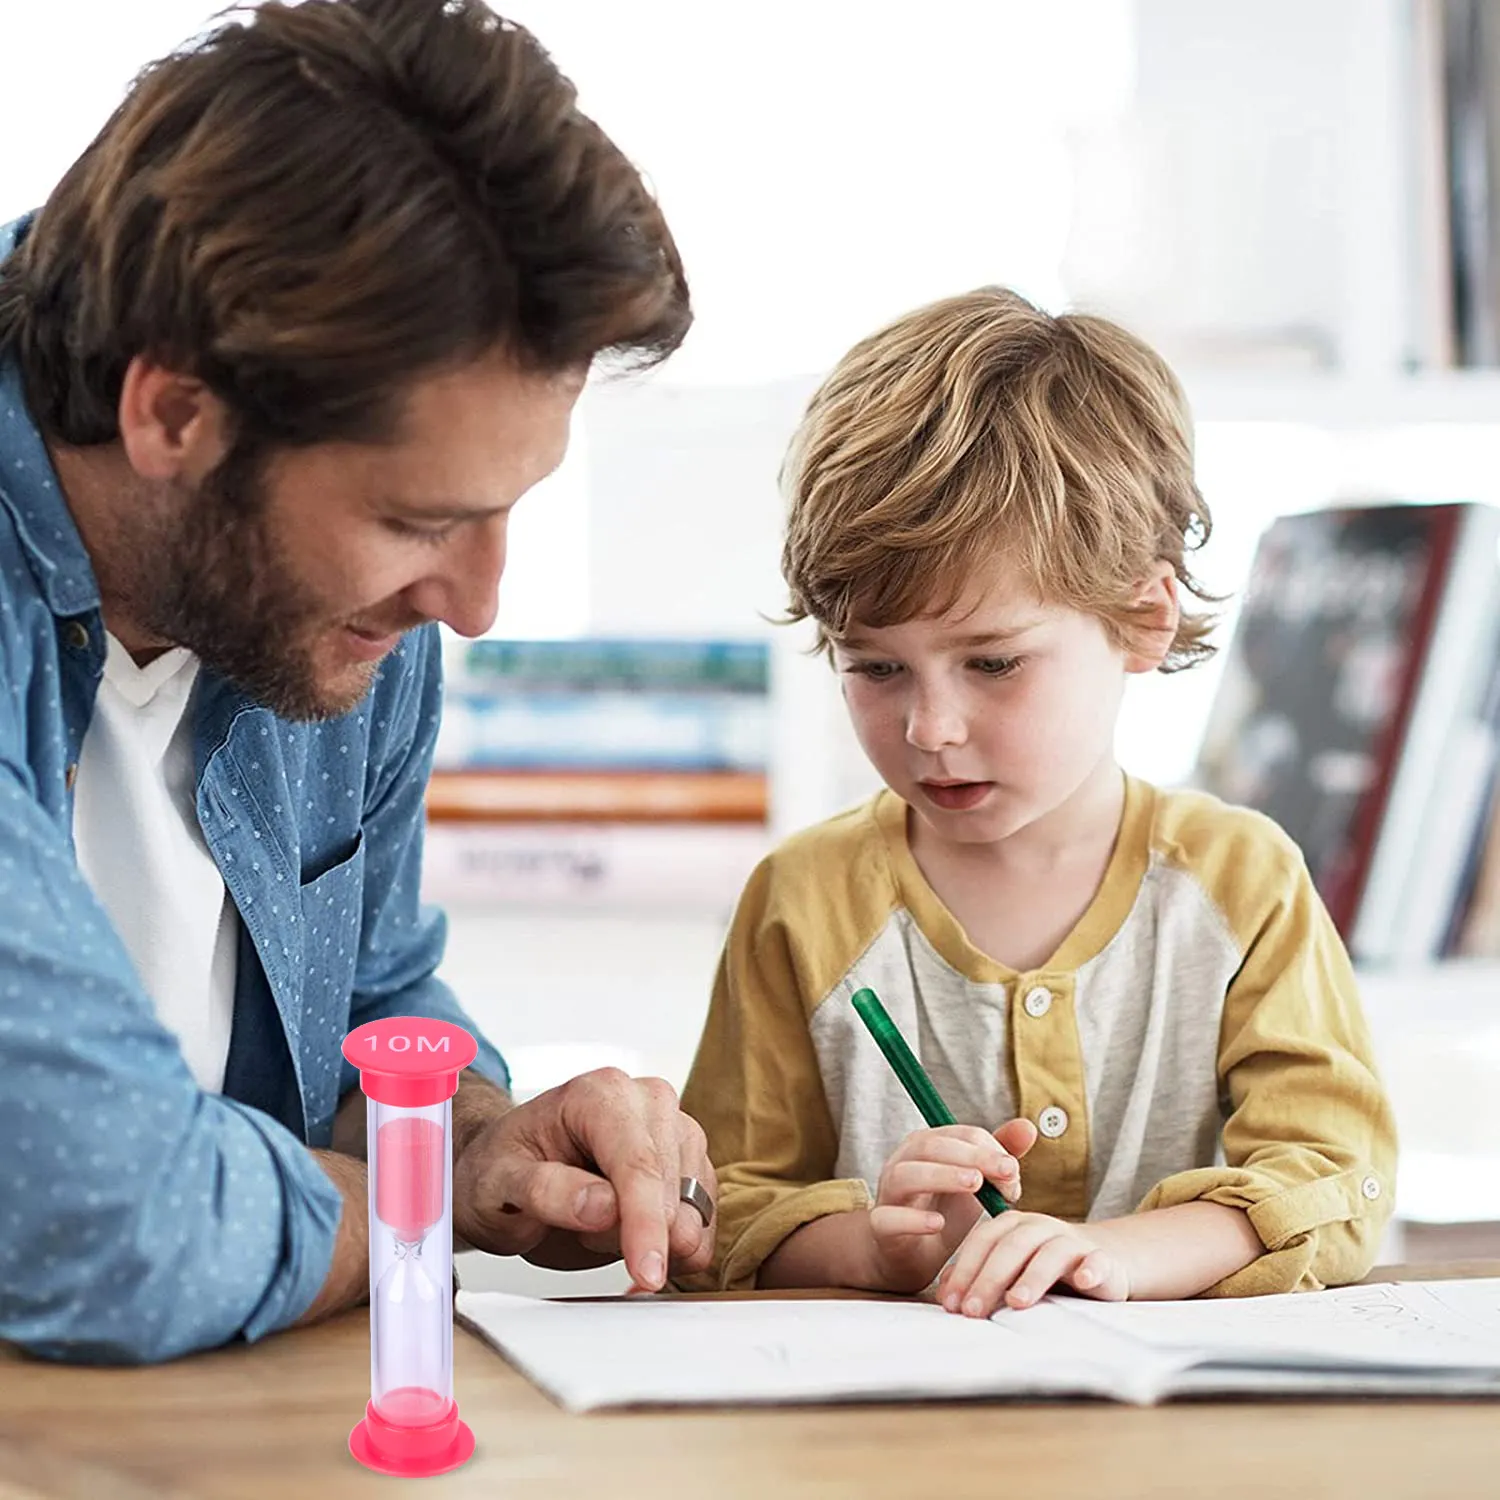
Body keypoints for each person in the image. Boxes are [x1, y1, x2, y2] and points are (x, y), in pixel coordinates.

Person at [0, 0, 716, 1364]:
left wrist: (487, 1134)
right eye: (421, 520)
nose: (477, 604)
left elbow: (365, 1012)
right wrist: (421, 1203)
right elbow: (111, 1224)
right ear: (171, 415)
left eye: (506, 511)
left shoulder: (342, 616)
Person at [679, 288, 1397, 1314]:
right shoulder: (805, 899)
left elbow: (1337, 1183)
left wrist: (1115, 1254)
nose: (930, 727)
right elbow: (722, 1207)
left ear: (1143, 620)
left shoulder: (1242, 883)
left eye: (993, 662)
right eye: (875, 668)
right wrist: (876, 1246)